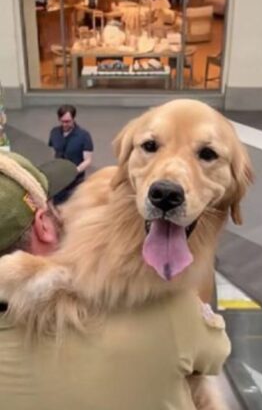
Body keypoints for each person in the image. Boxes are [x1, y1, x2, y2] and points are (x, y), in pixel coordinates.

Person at [0, 151, 230, 410]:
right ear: (43, 225)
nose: (65, 215)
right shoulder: (166, 313)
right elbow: (216, 353)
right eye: (55, 209)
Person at [47, 104, 93, 204]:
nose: (64, 124)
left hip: (75, 180)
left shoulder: (84, 136)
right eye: (62, 121)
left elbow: (88, 160)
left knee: (73, 205)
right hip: (59, 178)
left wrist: (75, 171)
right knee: (57, 204)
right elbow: (54, 150)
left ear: (73, 119)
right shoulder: (54, 132)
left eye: (68, 121)